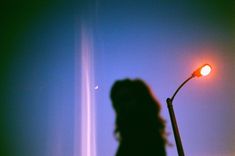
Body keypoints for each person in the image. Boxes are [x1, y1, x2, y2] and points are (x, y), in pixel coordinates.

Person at [110, 79, 167, 156]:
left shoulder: (146, 138)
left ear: (140, 101)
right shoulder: (129, 140)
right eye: (117, 103)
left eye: (126, 99)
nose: (121, 106)